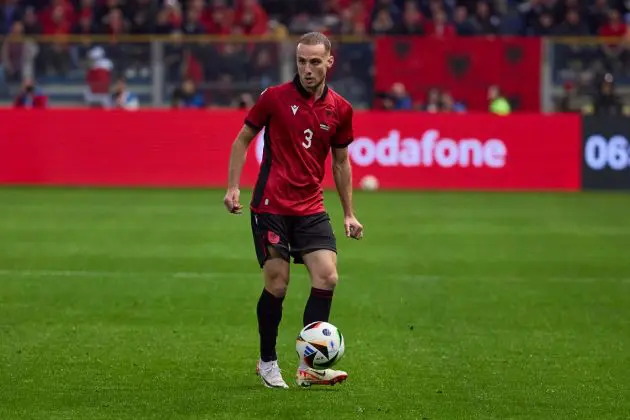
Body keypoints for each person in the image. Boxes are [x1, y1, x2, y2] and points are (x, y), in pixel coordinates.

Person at [223, 31, 364, 389]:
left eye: (315, 61)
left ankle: (309, 367)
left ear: (329, 62)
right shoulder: (274, 98)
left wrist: (349, 212)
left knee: (327, 277)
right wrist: (233, 187)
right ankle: (268, 361)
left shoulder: (340, 109)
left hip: (310, 206)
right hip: (270, 205)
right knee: (278, 281)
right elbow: (242, 140)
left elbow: (341, 162)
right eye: (301, 61)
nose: (307, 68)